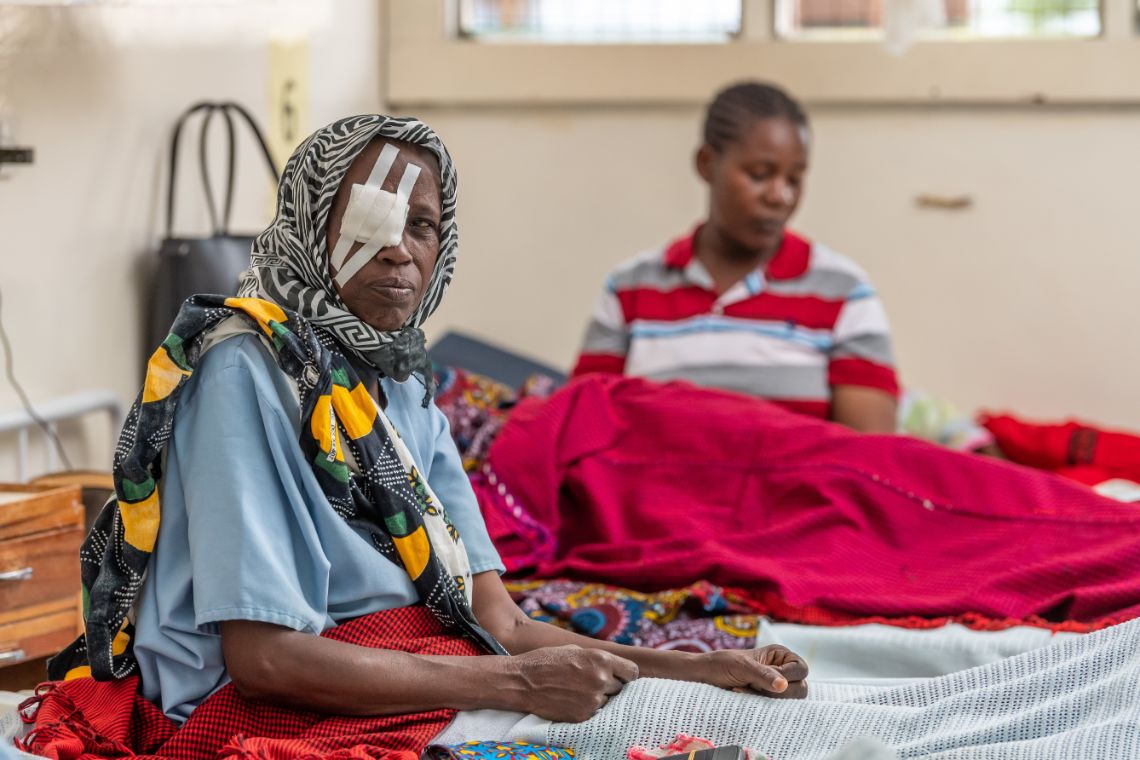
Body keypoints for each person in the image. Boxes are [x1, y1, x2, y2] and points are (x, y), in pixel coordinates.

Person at [31, 116, 806, 759]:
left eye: (424, 225)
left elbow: (497, 623)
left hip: (404, 666)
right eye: (372, 220)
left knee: (706, 723)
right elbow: (264, 660)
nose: (401, 248)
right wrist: (513, 687)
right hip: (258, 703)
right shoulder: (245, 370)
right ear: (311, 222)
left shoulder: (398, 377)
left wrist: (696, 669)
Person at [571, 82, 899, 434]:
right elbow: (582, 429)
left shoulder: (844, 293)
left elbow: (870, 460)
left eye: (795, 178)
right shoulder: (630, 289)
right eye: (760, 175)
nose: (780, 196)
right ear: (707, 164)